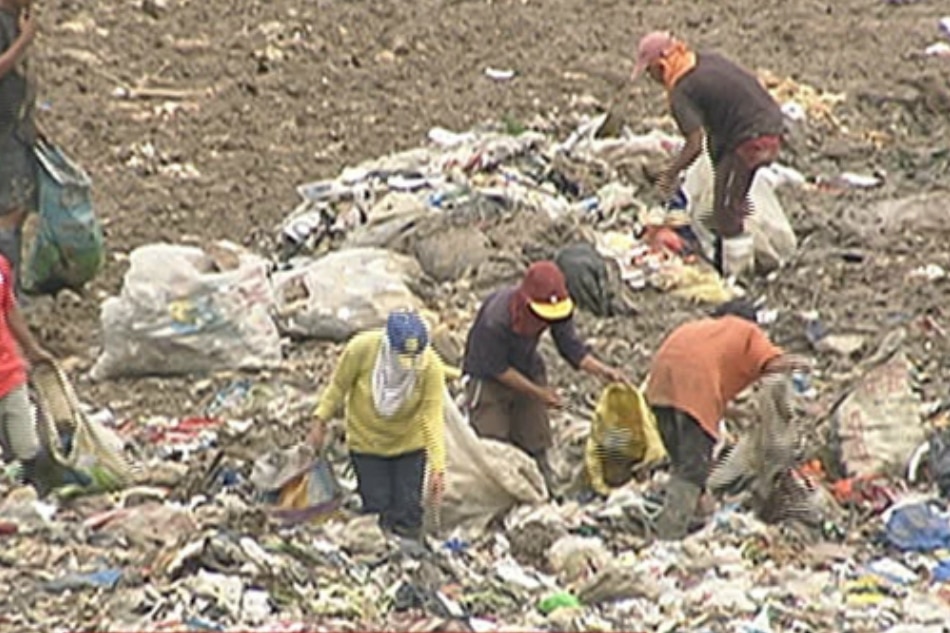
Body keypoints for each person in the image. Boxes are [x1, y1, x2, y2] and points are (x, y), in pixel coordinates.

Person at [644, 299, 808, 539]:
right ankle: (668, 538)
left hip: (660, 385)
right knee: (693, 471)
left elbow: (702, 397)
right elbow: (777, 363)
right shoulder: (748, 332)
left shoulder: (703, 330)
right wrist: (788, 407)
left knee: (683, 463)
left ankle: (690, 519)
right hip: (693, 383)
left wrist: (743, 413)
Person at [462, 261, 627, 490]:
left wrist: (602, 370)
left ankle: (543, 486)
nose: (545, 322)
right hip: (488, 377)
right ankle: (497, 495)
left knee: (535, 434)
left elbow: (570, 347)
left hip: (527, 366)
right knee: (493, 444)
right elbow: (498, 370)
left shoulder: (558, 309)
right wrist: (539, 393)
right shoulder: (495, 319)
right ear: (526, 303)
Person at [631, 31, 785, 277]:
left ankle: (738, 278)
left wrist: (669, 174)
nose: (654, 80)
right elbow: (718, 125)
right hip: (770, 123)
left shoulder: (682, 90)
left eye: (651, 73)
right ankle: (730, 258)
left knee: (726, 211)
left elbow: (694, 144)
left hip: (753, 137)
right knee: (728, 199)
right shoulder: (704, 61)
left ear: (661, 66)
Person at [307, 310, 446, 541]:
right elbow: (337, 389)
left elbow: (431, 416)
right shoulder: (361, 350)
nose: (407, 366)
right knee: (378, 508)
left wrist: (438, 467)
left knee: (408, 509)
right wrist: (320, 421)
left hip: (409, 445)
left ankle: (409, 559)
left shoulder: (429, 367)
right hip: (367, 444)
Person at [0, 253, 55, 494]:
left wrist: (32, 349)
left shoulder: (0, 267)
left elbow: (9, 307)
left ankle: (31, 496)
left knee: (27, 448)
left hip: (9, 371)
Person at [0, 0, 38, 290]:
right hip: (3, 132)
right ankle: (8, 294)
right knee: (9, 212)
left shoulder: (15, 20)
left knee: (20, 206)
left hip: (17, 128)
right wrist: (23, 42)